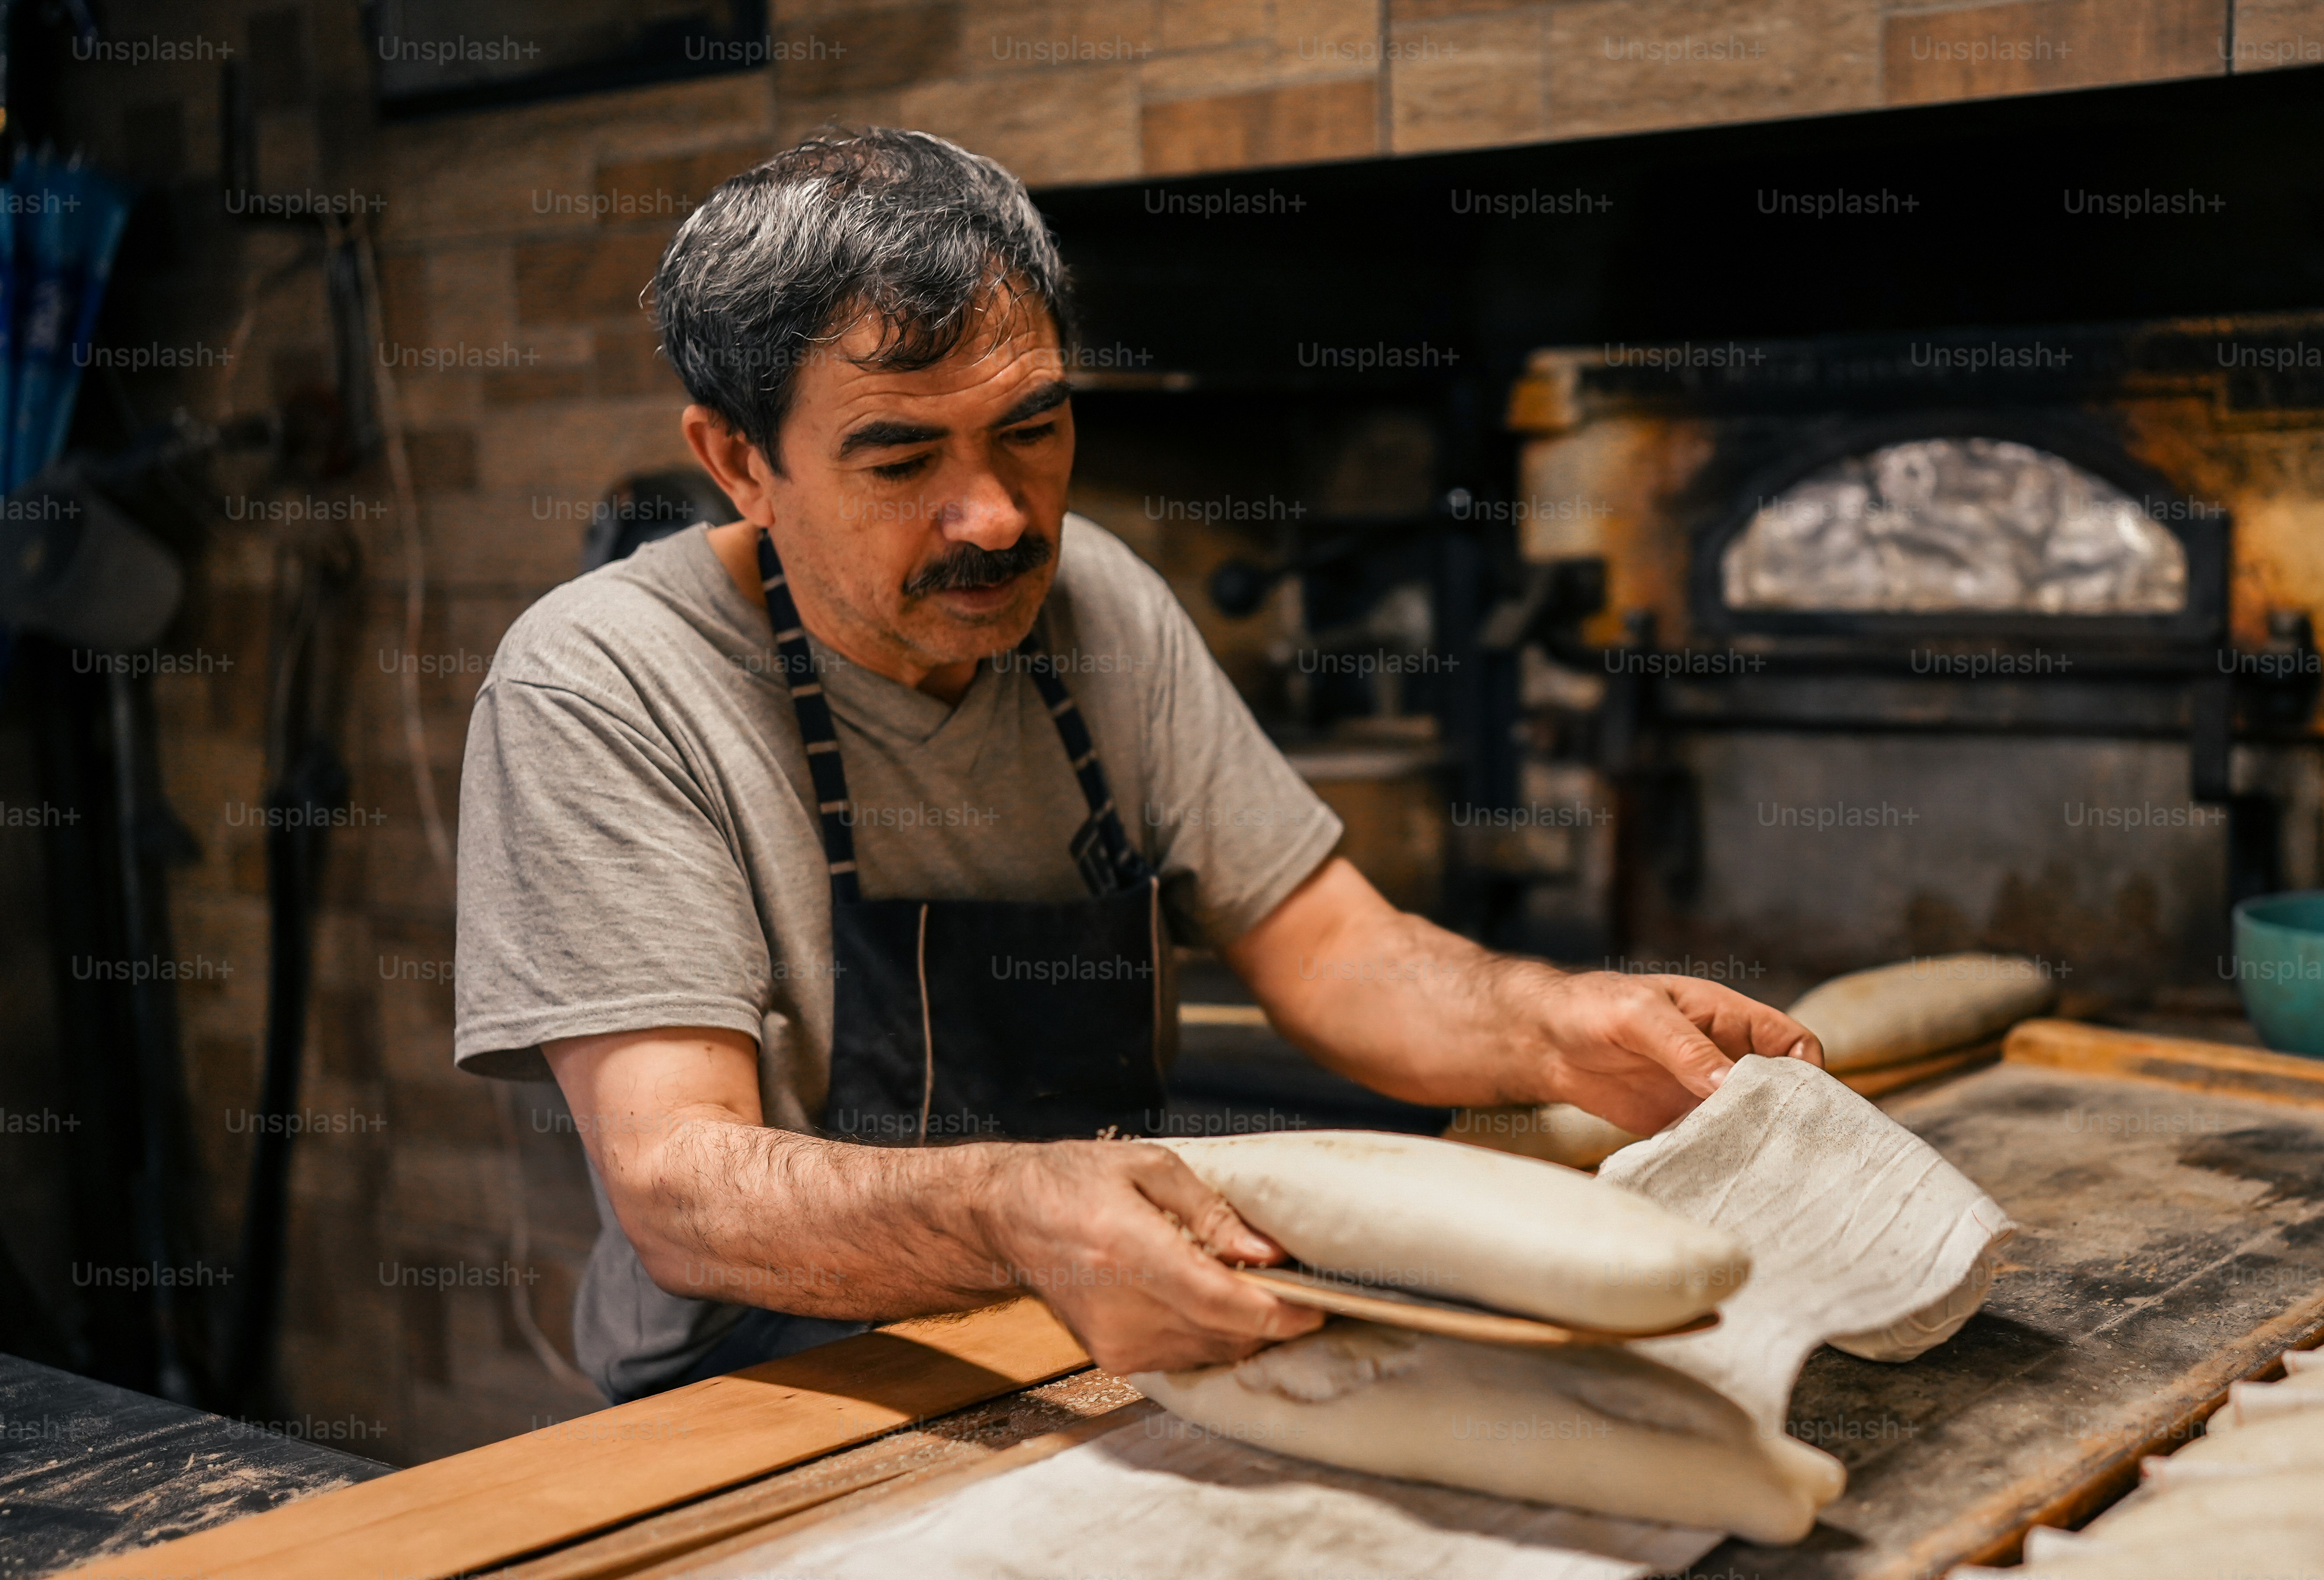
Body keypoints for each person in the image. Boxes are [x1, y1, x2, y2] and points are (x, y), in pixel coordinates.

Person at [452, 128, 1819, 1399]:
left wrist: (1553, 1024)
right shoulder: (605, 683)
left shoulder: (1094, 601)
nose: (997, 517)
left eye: (1031, 429)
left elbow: (1337, 955)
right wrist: (1013, 1212)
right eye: (904, 460)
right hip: (766, 1379)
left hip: (1101, 1328)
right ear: (738, 461)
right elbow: (682, 1190)